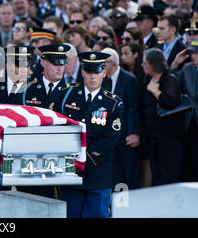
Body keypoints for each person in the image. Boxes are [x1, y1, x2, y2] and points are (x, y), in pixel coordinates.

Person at [61, 51, 124, 218]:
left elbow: (111, 138)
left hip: (98, 171)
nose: (93, 77)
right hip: (72, 170)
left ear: (104, 72)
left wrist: (87, 158)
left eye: (97, 72)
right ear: (82, 72)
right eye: (89, 72)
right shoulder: (67, 95)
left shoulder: (113, 102)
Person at [140, 48, 186, 186]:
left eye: (145, 63)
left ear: (153, 64)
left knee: (169, 172)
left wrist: (156, 92)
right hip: (153, 136)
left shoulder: (169, 79)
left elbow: (171, 102)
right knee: (156, 171)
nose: (142, 65)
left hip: (169, 136)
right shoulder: (148, 78)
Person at [102, 48, 141, 190]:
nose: (101, 66)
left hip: (125, 135)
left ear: (112, 63)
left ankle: (129, 207)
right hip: (109, 136)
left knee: (127, 171)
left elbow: (134, 108)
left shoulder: (129, 79)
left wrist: (134, 132)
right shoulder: (103, 79)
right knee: (114, 173)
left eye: (103, 63)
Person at [23, 44, 72, 112]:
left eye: (62, 64)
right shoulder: (29, 89)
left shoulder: (71, 92)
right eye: (55, 64)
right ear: (43, 63)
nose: (60, 68)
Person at [175, 41, 198, 182]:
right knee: (193, 159)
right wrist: (175, 63)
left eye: (196, 53)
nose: (193, 56)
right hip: (190, 122)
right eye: (191, 53)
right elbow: (170, 81)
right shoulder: (187, 69)